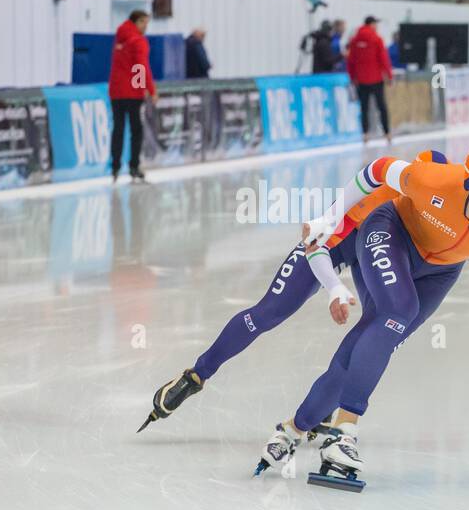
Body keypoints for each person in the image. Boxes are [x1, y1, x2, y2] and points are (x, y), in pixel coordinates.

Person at [255, 142, 469, 486]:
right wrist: (332, 216)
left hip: (442, 269)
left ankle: (293, 428)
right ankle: (343, 434)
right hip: (390, 232)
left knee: (379, 338)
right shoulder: (432, 181)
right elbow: (375, 171)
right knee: (399, 310)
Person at [142, 150, 452, 433]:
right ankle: (196, 375)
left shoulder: (444, 210)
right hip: (333, 244)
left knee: (375, 333)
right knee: (269, 312)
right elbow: (318, 246)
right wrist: (333, 287)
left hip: (373, 251)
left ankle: (322, 406)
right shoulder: (380, 196)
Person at [108, 9, 156, 183]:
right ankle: (134, 166)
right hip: (132, 92)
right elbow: (140, 66)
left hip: (116, 91)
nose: (146, 27)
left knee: (118, 128)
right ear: (136, 22)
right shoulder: (138, 41)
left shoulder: (119, 39)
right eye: (144, 22)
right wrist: (149, 89)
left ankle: (115, 167)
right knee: (136, 129)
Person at [346, 15, 394, 145]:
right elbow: (383, 58)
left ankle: (365, 134)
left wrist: (352, 77)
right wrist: (389, 75)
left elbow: (351, 61)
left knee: (364, 107)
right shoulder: (376, 39)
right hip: (376, 78)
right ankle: (387, 132)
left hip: (361, 80)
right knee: (381, 106)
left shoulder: (355, 40)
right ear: (371, 25)